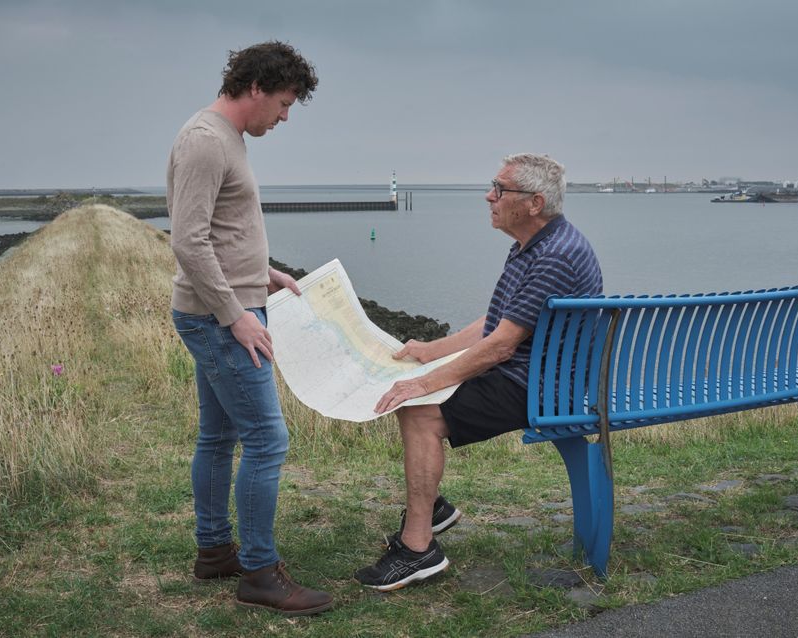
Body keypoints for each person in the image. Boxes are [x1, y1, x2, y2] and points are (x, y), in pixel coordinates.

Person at [355, 153, 603, 591]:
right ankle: (430, 510)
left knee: (419, 410)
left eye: (501, 189)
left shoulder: (553, 257)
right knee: (421, 397)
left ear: (534, 203)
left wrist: (425, 382)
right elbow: (495, 325)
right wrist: (430, 350)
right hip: (541, 376)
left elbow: (501, 346)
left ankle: (418, 549)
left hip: (540, 388)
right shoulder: (536, 244)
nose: (489, 196)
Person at [167, 41, 332, 616]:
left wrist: (263, 273)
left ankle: (215, 552)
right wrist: (235, 315)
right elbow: (187, 241)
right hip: (221, 317)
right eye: (284, 104)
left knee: (219, 437)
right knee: (268, 439)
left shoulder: (226, 138)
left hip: (231, 304)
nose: (285, 117)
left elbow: (218, 231)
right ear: (256, 88)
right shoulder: (205, 141)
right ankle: (260, 572)